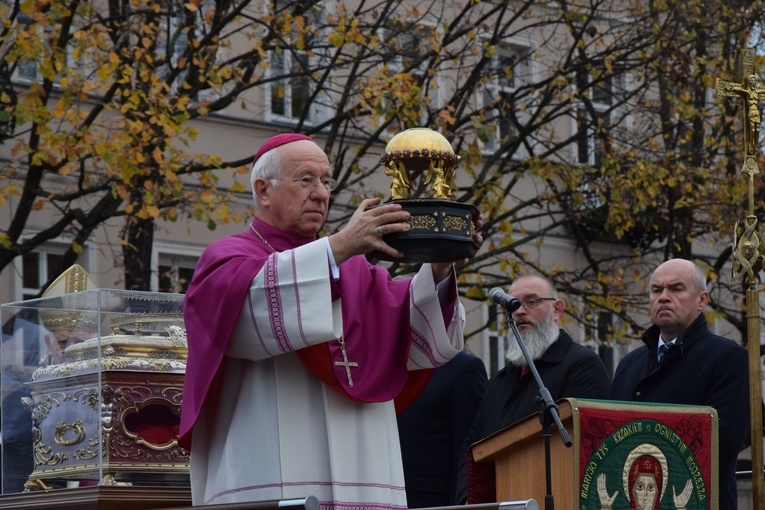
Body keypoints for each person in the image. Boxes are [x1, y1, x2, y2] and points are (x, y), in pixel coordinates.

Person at [179, 133, 481, 508]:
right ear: (263, 190)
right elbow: (244, 323)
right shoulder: (227, 258)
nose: (321, 193)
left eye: (326, 181)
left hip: (361, 471)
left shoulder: (355, 270)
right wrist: (340, 245)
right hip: (270, 466)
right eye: (306, 180)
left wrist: (440, 262)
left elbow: (417, 339)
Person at [455, 275, 611, 503]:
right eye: (513, 304)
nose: (519, 311)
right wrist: (468, 501)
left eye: (531, 302)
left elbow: (588, 449)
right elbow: (471, 451)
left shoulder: (582, 366)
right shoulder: (498, 382)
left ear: (557, 310)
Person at [609, 258, 750, 510]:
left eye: (676, 289)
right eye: (656, 290)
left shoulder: (726, 358)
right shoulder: (629, 364)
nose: (663, 297)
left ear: (702, 300)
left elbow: (723, 444)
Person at [396, 350, 487, 507]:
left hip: (431, 502)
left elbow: (467, 451)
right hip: (383, 494)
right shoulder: (384, 367)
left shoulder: (463, 367)